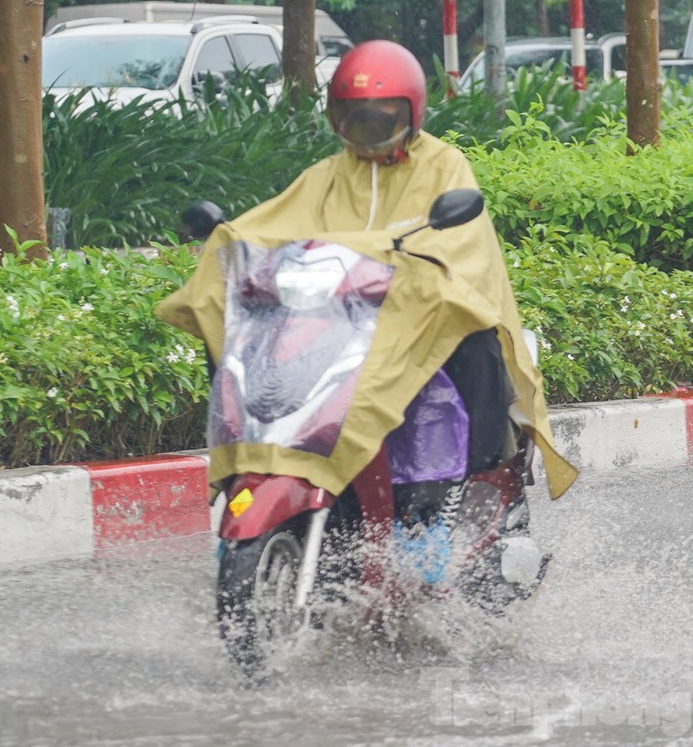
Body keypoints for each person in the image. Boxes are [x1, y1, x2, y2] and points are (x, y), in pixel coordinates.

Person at [156, 39, 577, 500]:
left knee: (474, 336)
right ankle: (250, 456)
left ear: (412, 112)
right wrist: (229, 240)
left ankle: (475, 483)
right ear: (337, 118)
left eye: (384, 116)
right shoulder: (329, 174)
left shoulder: (444, 165)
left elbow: (459, 249)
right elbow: (275, 225)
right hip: (342, 323)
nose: (370, 129)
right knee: (232, 319)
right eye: (356, 116)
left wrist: (403, 265)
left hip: (414, 315)